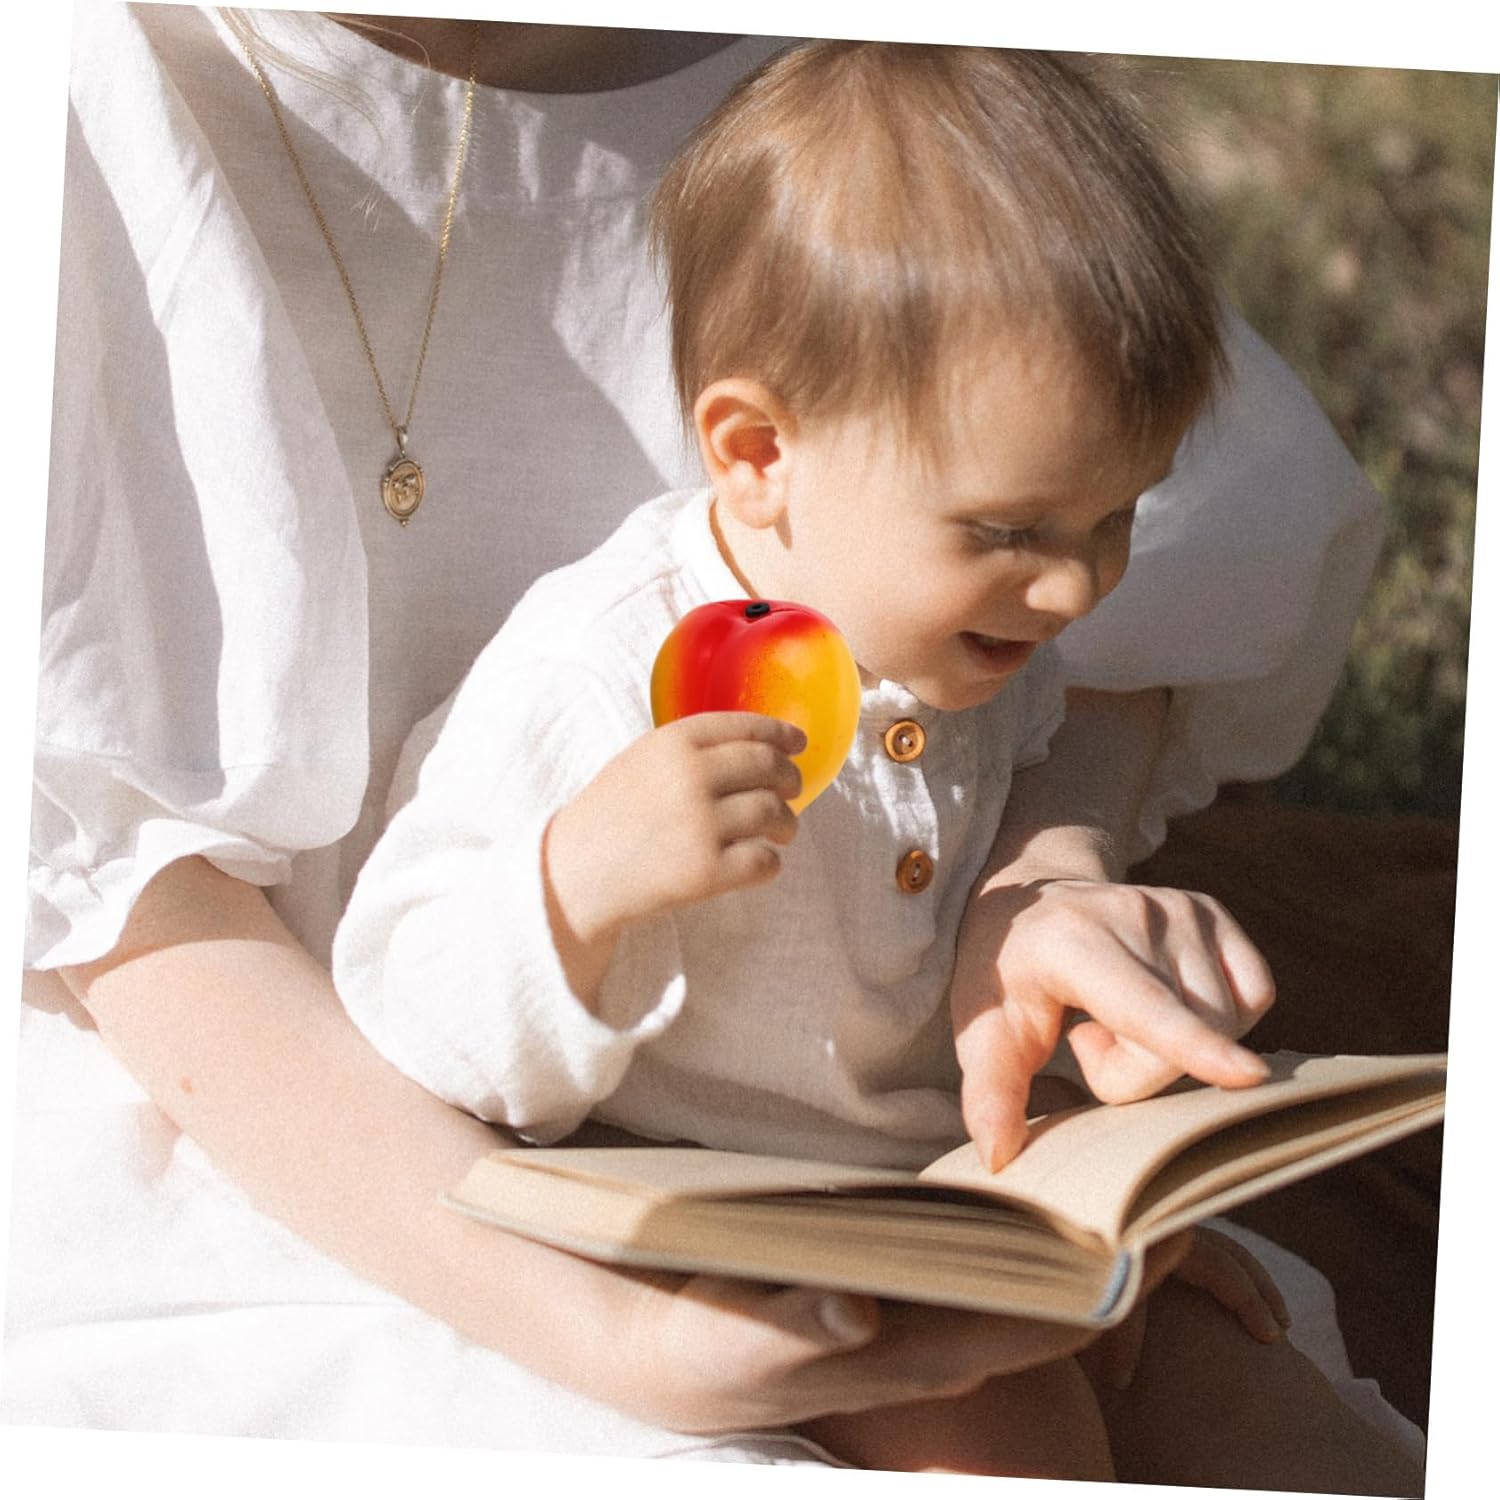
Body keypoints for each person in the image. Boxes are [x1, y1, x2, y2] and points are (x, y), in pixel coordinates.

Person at [9, 5, 1423, 1491]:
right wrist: (576, 888)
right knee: (992, 1440)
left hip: (900, 1185)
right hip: (610, 1190)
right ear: (753, 455)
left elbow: (1033, 780)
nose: (1076, 590)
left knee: (1230, 1427)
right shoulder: (607, 670)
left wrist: (1058, 960)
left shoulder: (966, 622)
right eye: (1015, 535)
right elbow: (405, 991)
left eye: (1114, 523)